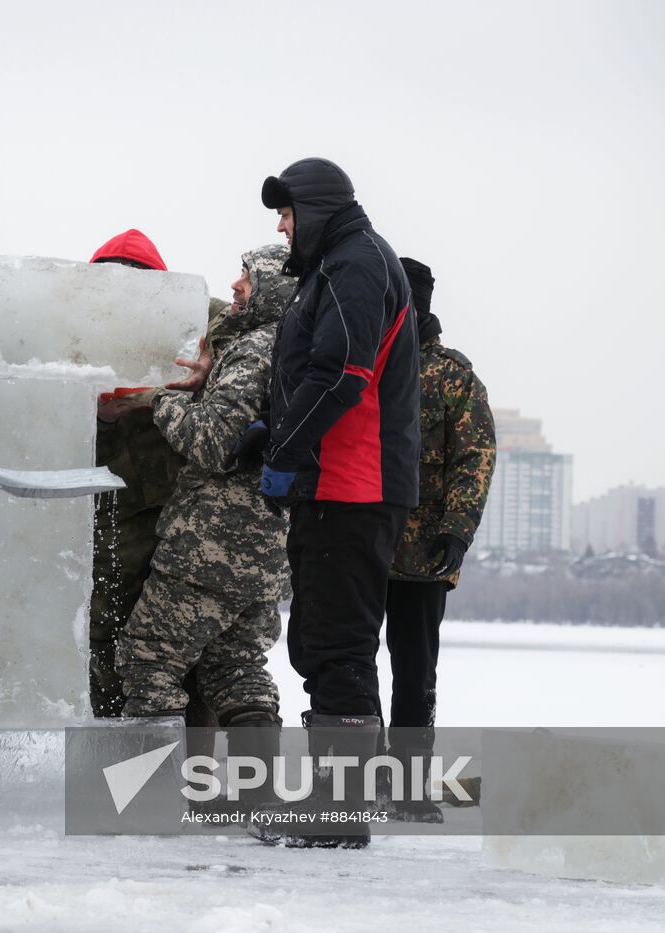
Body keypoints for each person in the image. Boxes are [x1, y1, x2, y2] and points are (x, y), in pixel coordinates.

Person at [250, 157, 420, 848]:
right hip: (337, 482)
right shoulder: (336, 264)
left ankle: (339, 809)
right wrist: (269, 431)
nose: (283, 229)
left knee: (339, 644)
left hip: (354, 482)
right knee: (322, 640)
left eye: (287, 216)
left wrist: (284, 452)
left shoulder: (355, 263)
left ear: (315, 209)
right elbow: (310, 370)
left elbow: (343, 372)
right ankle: (336, 794)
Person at [112, 246, 294, 772]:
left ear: (275, 290)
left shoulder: (255, 350)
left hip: (214, 542)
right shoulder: (290, 349)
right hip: (266, 547)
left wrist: (155, 399)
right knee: (236, 666)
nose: (237, 286)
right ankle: (256, 792)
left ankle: (150, 793)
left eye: (249, 278)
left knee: (148, 658)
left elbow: (214, 441)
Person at [383, 257, 495, 821]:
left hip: (423, 553)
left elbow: (474, 458)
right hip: (362, 542)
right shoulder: (368, 360)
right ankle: (357, 776)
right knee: (345, 664)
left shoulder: (452, 377)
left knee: (414, 672)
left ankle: (408, 789)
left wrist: (456, 529)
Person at [85, 230, 191, 719]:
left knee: (183, 638)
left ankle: (196, 761)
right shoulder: (80, 337)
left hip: (176, 512)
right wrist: (95, 409)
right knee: (104, 626)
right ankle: (109, 741)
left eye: (139, 279)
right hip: (110, 511)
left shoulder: (186, 338)